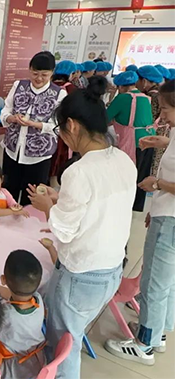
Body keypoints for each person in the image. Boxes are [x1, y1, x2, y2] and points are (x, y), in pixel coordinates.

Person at [27, 76, 137, 379]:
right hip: (112, 268)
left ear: (72, 126)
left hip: (81, 274)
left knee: (64, 345)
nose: (62, 138)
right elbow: (100, 206)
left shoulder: (79, 171)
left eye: (61, 130)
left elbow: (63, 231)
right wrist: (60, 198)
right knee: (72, 335)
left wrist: (47, 206)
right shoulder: (123, 160)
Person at [105, 80, 175, 366]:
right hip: (165, 213)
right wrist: (164, 142)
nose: (163, 116)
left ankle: (144, 345)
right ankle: (157, 332)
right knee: (164, 280)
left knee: (155, 282)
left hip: (171, 221)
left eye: (167, 109)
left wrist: (156, 184)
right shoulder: (174, 131)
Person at [0, 51, 67, 205]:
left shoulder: (59, 94)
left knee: (32, 197)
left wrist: (35, 124)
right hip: (13, 150)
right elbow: (5, 110)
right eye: (35, 73)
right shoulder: (18, 85)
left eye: (44, 75)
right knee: (9, 192)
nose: (39, 78)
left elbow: (58, 127)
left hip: (39, 156)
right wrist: (11, 118)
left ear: (52, 73)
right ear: (29, 69)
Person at [0, 250, 46, 379]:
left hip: (13, 368)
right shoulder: (38, 299)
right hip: (37, 361)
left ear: (3, 279)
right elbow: (13, 294)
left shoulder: (5, 314)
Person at [107, 70, 155, 212]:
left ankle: (124, 205)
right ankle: (137, 207)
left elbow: (105, 118)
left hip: (132, 142)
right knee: (142, 175)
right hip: (149, 140)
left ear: (121, 87)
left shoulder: (122, 98)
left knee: (128, 174)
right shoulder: (146, 98)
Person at [137, 65, 168, 176]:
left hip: (154, 133)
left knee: (148, 165)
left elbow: (149, 117)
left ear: (144, 81)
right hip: (163, 133)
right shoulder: (161, 93)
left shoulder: (151, 97)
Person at [50, 60, 78, 178]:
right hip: (62, 129)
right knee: (59, 158)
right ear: (70, 74)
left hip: (44, 128)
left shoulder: (49, 86)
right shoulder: (72, 89)